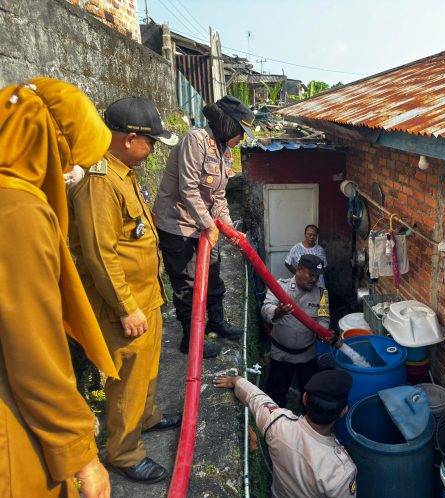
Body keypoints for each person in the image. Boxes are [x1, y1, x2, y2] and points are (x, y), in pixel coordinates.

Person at [0, 77, 118, 497]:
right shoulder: (18, 211)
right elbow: (33, 353)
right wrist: (81, 456)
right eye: (68, 158)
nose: (71, 172)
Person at [68, 96, 181, 484]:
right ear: (130, 138)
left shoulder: (123, 174)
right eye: (150, 143)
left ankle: (145, 418)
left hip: (145, 296)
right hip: (124, 304)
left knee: (147, 369)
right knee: (127, 379)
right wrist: (126, 307)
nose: (152, 151)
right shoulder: (100, 183)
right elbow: (101, 255)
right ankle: (124, 452)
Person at [153, 95, 255, 358]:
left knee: (213, 275)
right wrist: (210, 225)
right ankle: (190, 340)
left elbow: (219, 197)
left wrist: (229, 229)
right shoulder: (195, 140)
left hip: (205, 227)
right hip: (179, 225)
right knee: (188, 284)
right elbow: (187, 188)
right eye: (240, 133)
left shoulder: (225, 151)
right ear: (229, 125)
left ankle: (216, 322)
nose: (241, 139)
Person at [214, 369, 357, 497]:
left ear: (305, 398)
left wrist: (236, 380)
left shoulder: (277, 425)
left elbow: (256, 398)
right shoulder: (341, 472)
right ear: (343, 411)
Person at [263, 254, 329, 407]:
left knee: (310, 399)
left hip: (307, 357)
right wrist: (278, 312)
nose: (314, 279)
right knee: (275, 397)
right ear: (299, 269)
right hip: (281, 356)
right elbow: (266, 309)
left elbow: (324, 319)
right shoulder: (279, 286)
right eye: (311, 275)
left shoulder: (321, 294)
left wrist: (322, 332)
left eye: (317, 276)